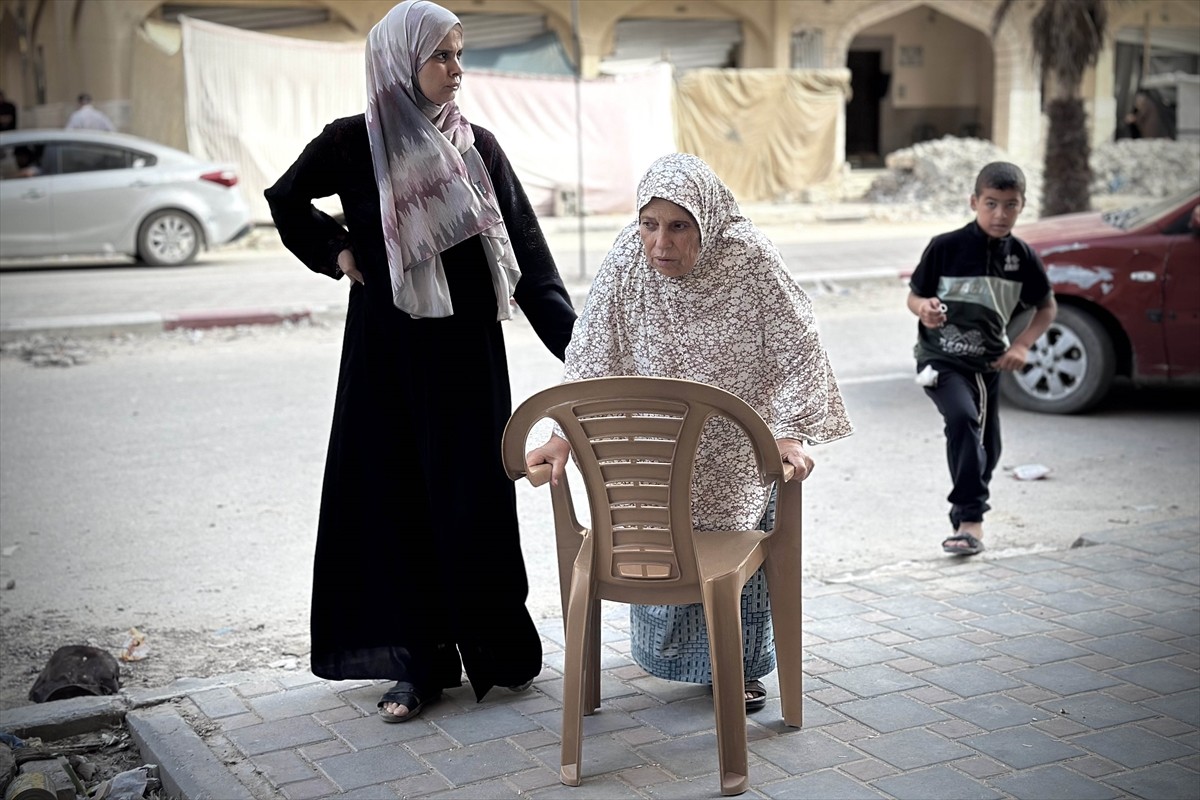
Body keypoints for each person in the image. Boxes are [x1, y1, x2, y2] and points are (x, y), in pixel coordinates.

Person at [264, 0, 576, 723]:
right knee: (398, 501)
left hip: (469, 360)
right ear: (402, 61)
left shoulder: (478, 149)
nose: (457, 70)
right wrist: (335, 249)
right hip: (388, 359)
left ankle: (494, 651)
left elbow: (529, 264)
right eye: (442, 56)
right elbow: (285, 200)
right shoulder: (352, 145)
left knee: (474, 500)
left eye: (461, 54)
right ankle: (417, 664)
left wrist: (585, 349)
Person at [525, 152, 853, 712]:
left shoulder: (748, 257)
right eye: (649, 225)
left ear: (706, 220)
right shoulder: (628, 257)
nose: (660, 243)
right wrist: (561, 432)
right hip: (655, 449)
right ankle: (680, 661)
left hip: (740, 448)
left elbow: (800, 343)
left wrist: (791, 430)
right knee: (665, 552)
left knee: (738, 559)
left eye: (679, 227)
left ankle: (741, 669)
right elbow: (591, 351)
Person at [907, 161, 1057, 557]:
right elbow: (914, 296)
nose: (1000, 214)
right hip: (939, 358)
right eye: (991, 203)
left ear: (1022, 206)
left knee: (986, 443)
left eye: (1011, 205)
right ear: (974, 201)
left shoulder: (1022, 257)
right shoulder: (945, 246)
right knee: (962, 419)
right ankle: (970, 520)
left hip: (988, 365)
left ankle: (966, 513)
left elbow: (1047, 308)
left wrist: (1022, 345)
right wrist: (925, 309)